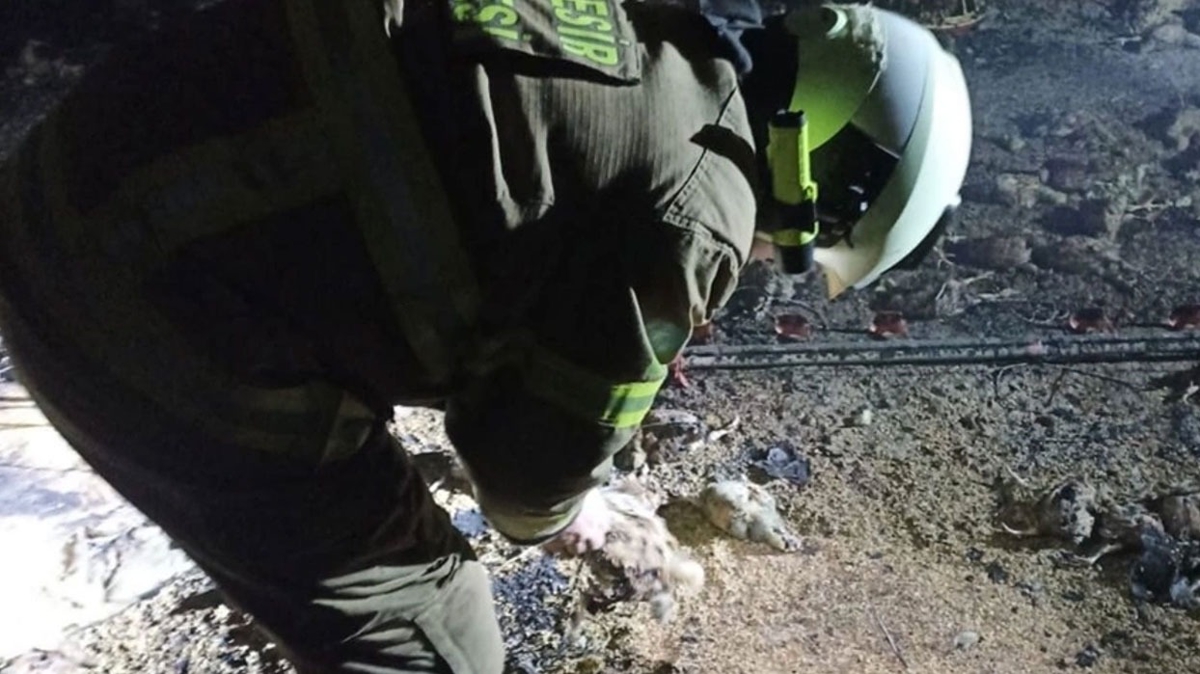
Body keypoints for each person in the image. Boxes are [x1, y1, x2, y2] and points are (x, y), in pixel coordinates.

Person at [0, 0, 971, 671]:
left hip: (73, 173)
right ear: (830, 183)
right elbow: (527, 469)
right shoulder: (700, 205)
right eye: (802, 244)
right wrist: (566, 511)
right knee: (439, 634)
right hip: (128, 308)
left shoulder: (641, 28)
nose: (764, 256)